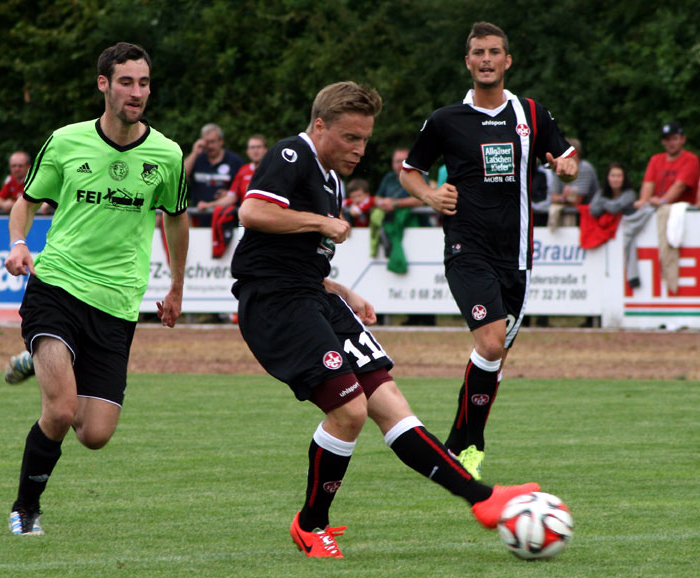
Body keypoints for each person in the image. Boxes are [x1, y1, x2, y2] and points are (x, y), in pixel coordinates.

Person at [231, 80, 539, 558]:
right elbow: (251, 212)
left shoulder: (332, 179)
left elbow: (293, 256)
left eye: (366, 139)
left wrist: (341, 289)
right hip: (275, 305)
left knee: (392, 406)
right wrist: (321, 222)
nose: (360, 149)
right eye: (351, 137)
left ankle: (486, 499)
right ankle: (311, 524)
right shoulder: (292, 154)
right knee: (349, 410)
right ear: (320, 126)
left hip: (313, 296)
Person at [3, 42, 189, 535]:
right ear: (103, 84)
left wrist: (176, 287)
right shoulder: (65, 141)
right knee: (61, 410)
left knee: (95, 434)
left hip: (118, 302)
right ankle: (25, 510)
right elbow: (24, 203)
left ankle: (38, 362)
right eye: (126, 82)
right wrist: (20, 243)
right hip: (57, 285)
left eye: (144, 83)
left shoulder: (167, 154)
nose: (137, 92)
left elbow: (176, 219)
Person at [399, 22, 578, 480]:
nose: (486, 59)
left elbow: (568, 161)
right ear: (468, 62)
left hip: (516, 254)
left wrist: (566, 167)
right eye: (478, 52)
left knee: (495, 355)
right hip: (466, 246)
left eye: (494, 52)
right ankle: (468, 440)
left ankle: (465, 439)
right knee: (492, 342)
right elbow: (410, 171)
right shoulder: (445, 120)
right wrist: (430, 196)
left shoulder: (532, 115)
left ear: (507, 61)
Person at [623, 122, 700, 289]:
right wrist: (644, 201)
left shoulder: (690, 159)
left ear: (682, 139)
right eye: (666, 139)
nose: (670, 142)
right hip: (657, 216)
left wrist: (663, 201)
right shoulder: (656, 159)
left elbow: (680, 186)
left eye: (674, 138)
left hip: (679, 217)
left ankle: (671, 285)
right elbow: (648, 184)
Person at [184, 123, 244, 226]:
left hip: (226, 221)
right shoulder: (197, 159)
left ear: (221, 141)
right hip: (199, 219)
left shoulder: (235, 161)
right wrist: (194, 153)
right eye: (207, 142)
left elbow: (242, 189)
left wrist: (230, 194)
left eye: (213, 142)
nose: (210, 146)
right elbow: (180, 177)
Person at [547, 138, 599, 232]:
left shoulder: (585, 168)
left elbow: (577, 201)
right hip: (568, 217)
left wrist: (563, 198)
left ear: (574, 153)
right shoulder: (559, 167)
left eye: (563, 151)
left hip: (586, 220)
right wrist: (564, 198)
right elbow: (553, 198)